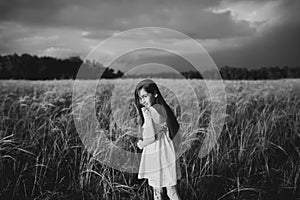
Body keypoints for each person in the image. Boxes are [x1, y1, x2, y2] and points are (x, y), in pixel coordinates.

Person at [134, 79, 182, 200]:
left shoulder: (149, 111)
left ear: (155, 94)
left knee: (157, 192)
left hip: (156, 153)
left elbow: (151, 138)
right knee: (171, 192)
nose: (142, 101)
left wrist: (141, 144)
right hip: (167, 151)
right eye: (140, 98)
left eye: (145, 96)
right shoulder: (162, 108)